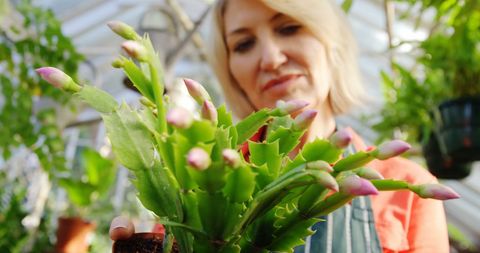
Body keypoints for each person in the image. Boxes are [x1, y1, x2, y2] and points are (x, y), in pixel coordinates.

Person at [110, 0, 450, 252]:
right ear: (231, 72)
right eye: (243, 44)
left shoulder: (408, 187)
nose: (271, 58)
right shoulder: (200, 179)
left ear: (330, 41)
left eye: (289, 27)